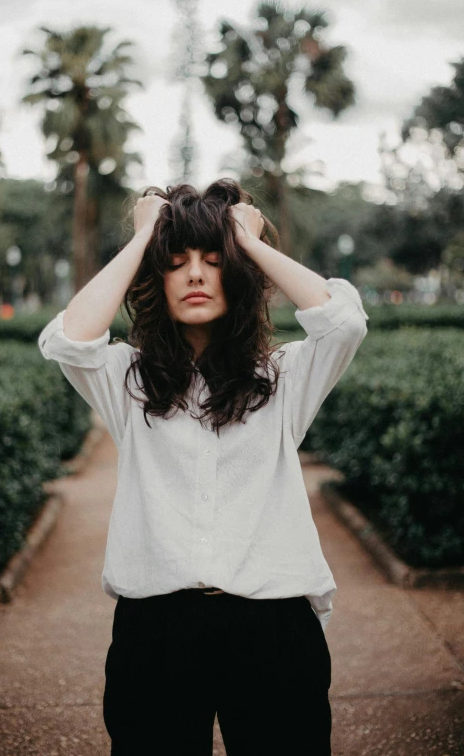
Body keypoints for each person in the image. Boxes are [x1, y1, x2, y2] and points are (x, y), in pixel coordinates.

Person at [38, 178, 369, 755]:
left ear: (237, 276)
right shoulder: (128, 382)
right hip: (157, 630)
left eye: (215, 262)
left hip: (274, 625)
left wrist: (250, 242)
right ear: (154, 278)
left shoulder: (284, 378)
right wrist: (144, 235)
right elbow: (69, 339)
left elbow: (344, 321)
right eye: (176, 262)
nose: (195, 274)